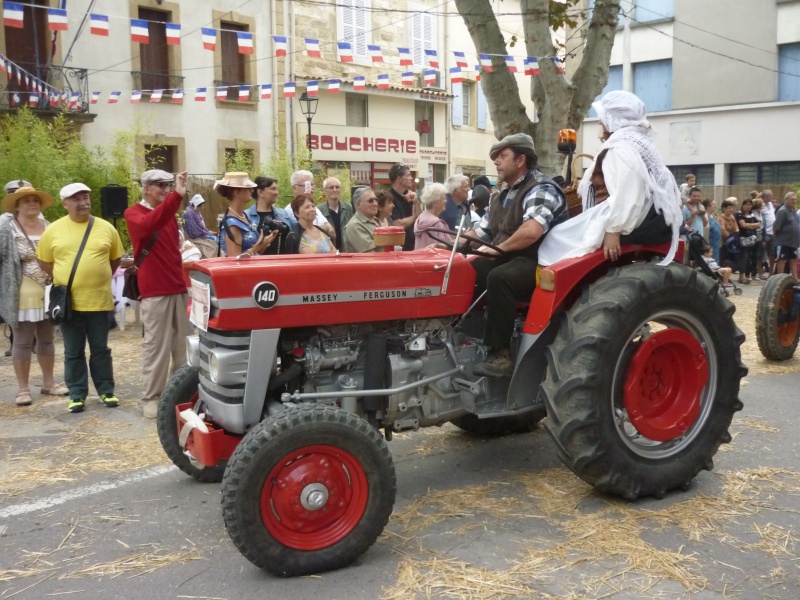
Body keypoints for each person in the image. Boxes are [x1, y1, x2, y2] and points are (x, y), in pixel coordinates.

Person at [538, 91, 680, 269]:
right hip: (648, 217)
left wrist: (613, 230)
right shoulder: (636, 143)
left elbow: (627, 193)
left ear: (614, 120)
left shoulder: (619, 149)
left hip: (631, 218)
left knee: (555, 237)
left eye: (602, 118)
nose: (599, 122)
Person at [467, 133, 568, 378]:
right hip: (510, 256)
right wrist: (452, 243)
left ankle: (500, 355)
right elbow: (486, 229)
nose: (496, 162)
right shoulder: (502, 195)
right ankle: (466, 334)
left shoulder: (541, 188)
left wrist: (496, 249)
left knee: (500, 277)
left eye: (502, 156)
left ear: (521, 159)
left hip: (540, 261)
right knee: (467, 269)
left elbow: (531, 231)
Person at [37, 183, 124, 413]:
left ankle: (106, 391)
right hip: (68, 303)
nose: (83, 201)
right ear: (65, 204)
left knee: (101, 350)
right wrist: (63, 278)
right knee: (73, 351)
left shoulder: (106, 228)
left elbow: (115, 259)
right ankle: (76, 394)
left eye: (85, 197)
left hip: (99, 300)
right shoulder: (53, 230)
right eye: (76, 198)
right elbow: (44, 261)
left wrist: (97, 276)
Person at [125, 170, 196, 419]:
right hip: (155, 289)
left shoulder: (167, 212)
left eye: (167, 185)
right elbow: (150, 223)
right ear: (145, 188)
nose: (165, 189)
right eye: (160, 185)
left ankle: (179, 393)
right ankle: (152, 397)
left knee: (183, 344)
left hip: (178, 285)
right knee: (156, 345)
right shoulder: (134, 213)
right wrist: (177, 195)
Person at [0, 186, 68, 406]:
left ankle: (49, 383)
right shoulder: (7, 229)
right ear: (17, 205)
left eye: (35, 200)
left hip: (49, 288)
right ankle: (22, 389)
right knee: (22, 340)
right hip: (23, 288)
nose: (31, 204)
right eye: (26, 200)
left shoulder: (49, 226)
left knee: (47, 338)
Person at [216, 172, 279, 258]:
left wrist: (265, 241)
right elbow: (235, 261)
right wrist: (259, 246)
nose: (252, 191)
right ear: (237, 192)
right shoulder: (232, 224)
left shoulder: (244, 217)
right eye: (248, 188)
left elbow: (255, 252)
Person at [244, 176, 296, 255]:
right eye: (273, 189)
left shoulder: (283, 213)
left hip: (283, 263)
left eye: (277, 189)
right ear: (260, 192)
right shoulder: (246, 216)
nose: (276, 192)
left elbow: (300, 227)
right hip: (259, 264)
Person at [289, 170, 336, 241]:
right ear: (294, 188)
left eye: (312, 184)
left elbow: (331, 231)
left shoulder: (314, 208)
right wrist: (322, 229)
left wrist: (317, 229)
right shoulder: (291, 209)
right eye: (307, 185)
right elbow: (303, 232)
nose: (311, 188)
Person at [388, 163, 421, 250]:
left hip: (415, 246)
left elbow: (421, 220)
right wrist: (414, 216)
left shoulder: (411, 196)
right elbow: (398, 225)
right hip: (400, 249)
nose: (411, 178)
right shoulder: (389, 198)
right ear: (399, 179)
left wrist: (416, 202)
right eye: (408, 175)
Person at [317, 177, 353, 251]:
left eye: (337, 187)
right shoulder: (319, 210)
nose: (335, 190)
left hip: (346, 251)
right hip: (329, 251)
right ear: (324, 191)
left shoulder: (348, 208)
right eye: (331, 187)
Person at [414, 183, 453, 249]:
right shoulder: (436, 224)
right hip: (435, 258)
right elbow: (446, 246)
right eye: (443, 198)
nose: (446, 201)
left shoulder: (420, 218)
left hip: (420, 258)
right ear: (435, 202)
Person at [344, 187, 381, 253]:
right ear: (358, 205)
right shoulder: (354, 226)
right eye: (370, 201)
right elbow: (370, 256)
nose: (375, 204)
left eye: (376, 200)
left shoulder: (375, 220)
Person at [182, 194, 218, 259]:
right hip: (192, 238)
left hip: (199, 235)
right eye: (201, 206)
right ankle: (208, 263)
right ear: (197, 206)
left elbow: (201, 227)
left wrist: (209, 232)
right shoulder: (188, 214)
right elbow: (194, 232)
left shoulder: (196, 212)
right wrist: (207, 234)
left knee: (215, 240)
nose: (203, 208)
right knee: (212, 245)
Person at [774, 191, 799, 280]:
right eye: (793, 200)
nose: (794, 201)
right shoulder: (782, 211)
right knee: (782, 259)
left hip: (793, 241)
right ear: (786, 200)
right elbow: (776, 227)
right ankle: (779, 278)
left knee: (794, 259)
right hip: (784, 241)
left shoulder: (793, 211)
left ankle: (795, 278)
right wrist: (777, 238)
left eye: (796, 200)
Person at [734, 197, 759, 284]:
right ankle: (741, 276)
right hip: (743, 239)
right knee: (743, 257)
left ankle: (748, 275)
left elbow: (758, 225)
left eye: (750, 205)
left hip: (752, 239)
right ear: (743, 205)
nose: (748, 207)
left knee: (750, 258)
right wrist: (752, 225)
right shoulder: (739, 214)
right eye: (746, 205)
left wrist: (749, 225)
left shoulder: (752, 215)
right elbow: (743, 225)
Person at [718, 198, 739, 269]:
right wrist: (730, 238)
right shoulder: (720, 218)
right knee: (724, 259)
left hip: (732, 242)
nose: (731, 210)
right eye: (729, 208)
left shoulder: (732, 217)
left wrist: (734, 236)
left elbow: (736, 228)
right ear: (724, 209)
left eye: (732, 208)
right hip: (724, 242)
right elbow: (722, 230)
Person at [761, 189, 776, 276]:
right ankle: (758, 272)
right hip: (765, 232)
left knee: (772, 253)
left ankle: (771, 272)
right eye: (770, 196)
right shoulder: (761, 205)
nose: (772, 197)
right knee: (761, 253)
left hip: (772, 232)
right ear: (766, 197)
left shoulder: (770, 204)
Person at [703, 199, 721, 264]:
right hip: (709, 242)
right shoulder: (705, 216)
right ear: (708, 206)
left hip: (716, 244)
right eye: (714, 205)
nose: (715, 207)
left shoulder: (713, 216)